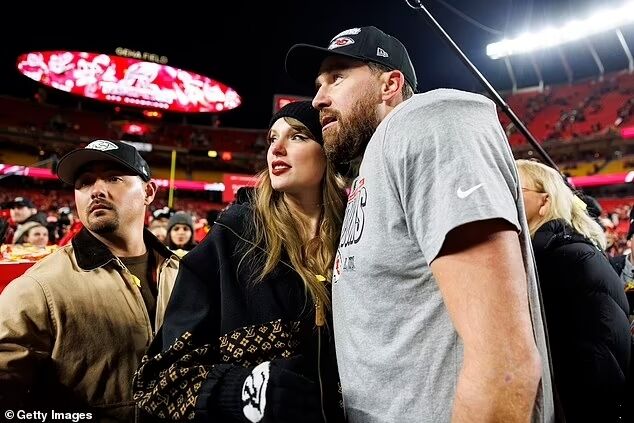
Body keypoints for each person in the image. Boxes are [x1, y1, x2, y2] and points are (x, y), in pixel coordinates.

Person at [285, 26, 555, 422]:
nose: (319, 98)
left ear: (390, 84)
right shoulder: (377, 160)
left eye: (337, 77)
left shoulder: (429, 122)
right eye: (318, 84)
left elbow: (505, 366)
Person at [133, 101, 347, 422]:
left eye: (298, 136)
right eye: (272, 138)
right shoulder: (234, 235)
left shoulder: (357, 236)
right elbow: (156, 380)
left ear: (330, 151)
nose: (277, 149)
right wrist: (246, 392)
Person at [0, 139, 180, 421]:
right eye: (84, 182)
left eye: (113, 177)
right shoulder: (39, 287)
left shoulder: (181, 272)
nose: (96, 190)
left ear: (148, 191)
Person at [517, 159, 632, 422]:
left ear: (545, 203)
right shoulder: (567, 251)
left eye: (515, 189)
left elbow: (590, 359)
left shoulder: (561, 259)